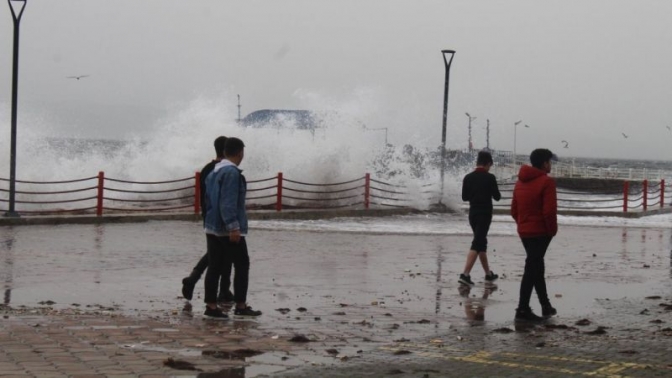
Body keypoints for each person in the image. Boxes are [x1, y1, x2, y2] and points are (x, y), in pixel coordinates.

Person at [203, 137, 261, 318]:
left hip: (212, 227)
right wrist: (234, 227)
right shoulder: (231, 173)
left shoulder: (214, 171)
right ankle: (241, 305)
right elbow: (227, 203)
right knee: (242, 264)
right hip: (226, 229)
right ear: (240, 152)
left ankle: (211, 306)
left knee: (214, 266)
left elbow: (210, 200)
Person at [181, 136, 234, 303]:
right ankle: (199, 281)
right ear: (227, 150)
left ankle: (222, 289)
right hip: (220, 216)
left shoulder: (206, 169)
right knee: (221, 252)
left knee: (221, 252)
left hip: (208, 215)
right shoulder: (223, 169)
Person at [511, 148, 559, 322]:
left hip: (525, 231)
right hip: (540, 232)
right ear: (544, 163)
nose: (550, 165)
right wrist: (551, 230)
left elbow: (514, 210)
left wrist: (522, 225)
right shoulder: (547, 182)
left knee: (536, 266)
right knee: (532, 268)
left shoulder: (519, 182)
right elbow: (549, 211)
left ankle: (545, 305)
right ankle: (522, 308)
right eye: (549, 162)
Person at [459, 150, 501, 286]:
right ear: (488, 163)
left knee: (481, 242)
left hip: (473, 214)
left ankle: (488, 274)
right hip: (485, 213)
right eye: (490, 165)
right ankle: (465, 274)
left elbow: (464, 197)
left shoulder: (468, 177)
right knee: (477, 243)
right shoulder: (490, 178)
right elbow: (497, 197)